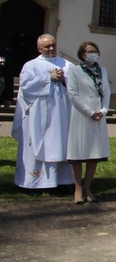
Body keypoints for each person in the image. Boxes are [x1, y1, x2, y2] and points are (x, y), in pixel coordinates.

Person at [13, 34, 74, 190]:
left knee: (59, 142)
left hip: (60, 115)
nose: (51, 48)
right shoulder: (31, 65)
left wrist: (63, 79)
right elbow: (26, 87)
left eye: (53, 45)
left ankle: (61, 182)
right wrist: (48, 78)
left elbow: (76, 83)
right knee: (35, 143)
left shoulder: (66, 64)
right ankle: (32, 182)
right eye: (47, 46)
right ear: (39, 48)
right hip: (36, 114)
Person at [66, 41, 111, 204]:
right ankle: (78, 189)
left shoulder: (102, 71)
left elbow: (106, 91)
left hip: (99, 114)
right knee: (78, 153)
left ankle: (87, 187)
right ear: (82, 54)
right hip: (82, 114)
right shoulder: (75, 71)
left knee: (94, 153)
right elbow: (73, 94)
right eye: (89, 51)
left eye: (95, 51)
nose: (93, 54)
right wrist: (90, 112)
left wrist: (104, 110)